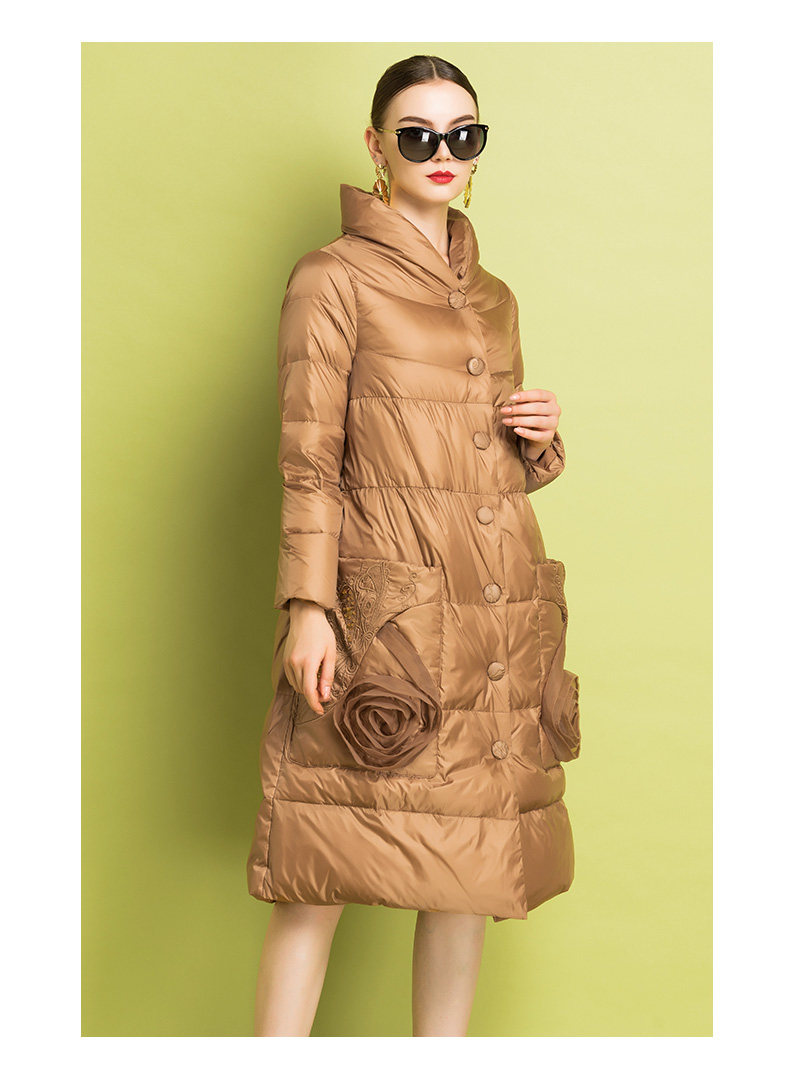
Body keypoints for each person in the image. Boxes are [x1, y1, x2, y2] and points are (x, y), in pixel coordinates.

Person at [246, 54, 580, 1037]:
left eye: (462, 134)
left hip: (491, 610)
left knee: (465, 873)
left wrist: (536, 435)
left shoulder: (495, 297)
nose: (442, 152)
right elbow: (308, 456)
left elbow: (483, 468)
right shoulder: (331, 277)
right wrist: (308, 606)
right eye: (418, 134)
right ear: (376, 144)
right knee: (319, 864)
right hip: (384, 609)